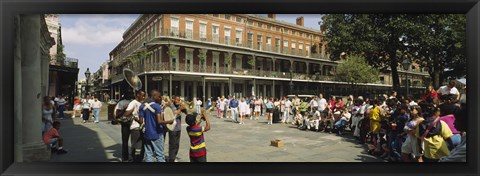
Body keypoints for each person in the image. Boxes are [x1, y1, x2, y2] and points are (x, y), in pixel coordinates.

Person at [139, 90, 174, 162]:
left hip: (147, 134)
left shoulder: (142, 106)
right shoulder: (157, 106)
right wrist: (170, 121)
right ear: (154, 96)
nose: (160, 98)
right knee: (160, 155)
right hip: (157, 133)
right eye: (159, 96)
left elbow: (140, 121)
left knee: (148, 155)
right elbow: (160, 121)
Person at [124, 90, 145, 162]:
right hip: (135, 127)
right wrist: (133, 116)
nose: (144, 97)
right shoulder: (133, 103)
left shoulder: (140, 103)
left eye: (144, 95)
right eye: (142, 95)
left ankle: (139, 159)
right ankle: (133, 159)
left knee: (141, 146)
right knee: (135, 145)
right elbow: (126, 113)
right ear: (138, 95)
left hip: (142, 127)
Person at [166, 96, 186, 162]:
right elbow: (174, 114)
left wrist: (184, 109)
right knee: (172, 144)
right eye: (177, 100)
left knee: (177, 144)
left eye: (179, 100)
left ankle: (174, 156)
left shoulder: (178, 106)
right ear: (174, 100)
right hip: (172, 128)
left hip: (178, 128)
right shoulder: (171, 106)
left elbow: (187, 113)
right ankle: (171, 158)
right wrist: (180, 109)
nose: (178, 101)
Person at [114, 92, 133, 162]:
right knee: (125, 141)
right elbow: (117, 115)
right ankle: (125, 157)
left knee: (134, 142)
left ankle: (133, 156)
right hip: (125, 123)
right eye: (130, 93)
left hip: (134, 123)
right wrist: (124, 109)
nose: (132, 94)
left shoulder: (133, 101)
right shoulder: (121, 103)